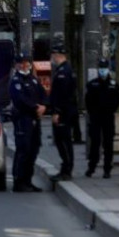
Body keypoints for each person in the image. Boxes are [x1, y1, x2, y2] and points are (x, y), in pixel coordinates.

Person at [9, 53, 47, 192]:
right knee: (23, 149)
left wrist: (44, 106)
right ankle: (19, 181)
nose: (24, 65)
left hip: (35, 119)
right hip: (23, 119)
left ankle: (28, 180)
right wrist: (36, 107)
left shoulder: (33, 79)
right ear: (16, 65)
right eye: (21, 63)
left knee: (33, 149)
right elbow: (20, 100)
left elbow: (43, 94)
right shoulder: (16, 81)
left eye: (26, 63)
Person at [85, 58, 119, 178]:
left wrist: (110, 110)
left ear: (108, 69)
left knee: (108, 144)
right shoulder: (92, 84)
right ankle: (92, 167)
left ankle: (107, 169)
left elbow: (117, 101)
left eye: (104, 68)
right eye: (101, 68)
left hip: (108, 117)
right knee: (95, 143)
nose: (103, 70)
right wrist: (92, 113)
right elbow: (88, 101)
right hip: (95, 117)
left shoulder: (114, 85)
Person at [48, 41, 77, 181]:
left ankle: (66, 169)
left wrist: (57, 112)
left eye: (53, 54)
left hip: (63, 113)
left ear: (58, 55)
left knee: (63, 141)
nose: (52, 57)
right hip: (65, 111)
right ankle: (66, 168)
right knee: (62, 140)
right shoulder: (64, 70)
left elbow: (63, 95)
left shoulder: (63, 72)